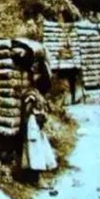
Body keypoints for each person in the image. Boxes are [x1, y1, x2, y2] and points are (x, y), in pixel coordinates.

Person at [18, 53, 57, 185]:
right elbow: (27, 110)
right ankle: (36, 179)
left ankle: (37, 178)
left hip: (36, 124)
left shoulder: (38, 94)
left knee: (38, 149)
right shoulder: (32, 94)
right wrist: (25, 124)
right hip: (32, 123)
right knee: (34, 148)